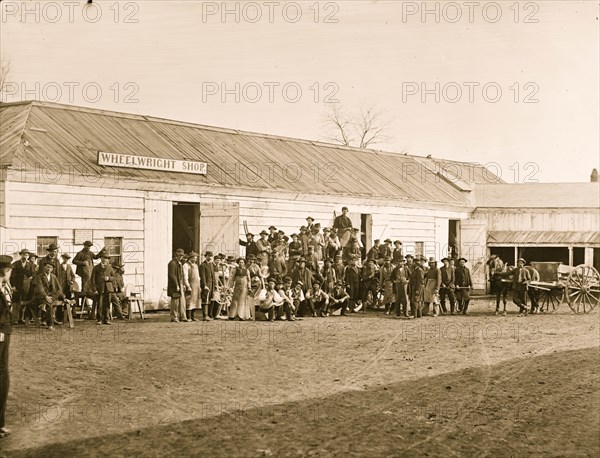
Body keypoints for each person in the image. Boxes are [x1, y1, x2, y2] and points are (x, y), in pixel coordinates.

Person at [0, 261, 14, 439]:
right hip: (1, 333)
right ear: (6, 271)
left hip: (4, 331)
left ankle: (0, 423)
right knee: (2, 374)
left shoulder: (5, 286)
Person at [32, 262, 64, 329]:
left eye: (51, 267)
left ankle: (44, 304)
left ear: (52, 269)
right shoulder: (39, 277)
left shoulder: (53, 276)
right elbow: (40, 289)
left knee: (58, 292)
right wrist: (46, 297)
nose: (49, 269)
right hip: (41, 296)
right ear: (44, 268)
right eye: (48, 267)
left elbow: (59, 288)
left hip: (51, 296)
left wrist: (63, 297)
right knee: (49, 304)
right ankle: (50, 324)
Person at [73, 241, 101, 317]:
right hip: (83, 272)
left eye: (89, 246)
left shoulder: (90, 253)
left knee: (91, 281)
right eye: (87, 246)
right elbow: (74, 261)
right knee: (85, 282)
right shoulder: (80, 253)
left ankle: (90, 290)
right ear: (84, 245)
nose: (88, 247)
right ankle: (85, 291)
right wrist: (82, 263)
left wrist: (102, 251)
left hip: (90, 270)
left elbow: (96, 257)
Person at [10, 249, 35, 325]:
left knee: (24, 302)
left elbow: (33, 274)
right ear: (21, 255)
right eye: (24, 254)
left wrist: (31, 278)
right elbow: (11, 276)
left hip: (26, 287)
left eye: (27, 255)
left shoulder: (30, 265)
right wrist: (13, 286)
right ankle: (15, 319)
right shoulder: (15, 264)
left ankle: (21, 318)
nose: (25, 256)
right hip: (17, 286)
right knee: (16, 302)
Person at [167, 249, 189, 323]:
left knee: (182, 301)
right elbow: (172, 275)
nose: (181, 257)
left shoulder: (180, 263)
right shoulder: (172, 263)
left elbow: (181, 274)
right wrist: (176, 285)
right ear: (176, 254)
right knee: (175, 301)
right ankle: (174, 317)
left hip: (181, 283)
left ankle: (183, 317)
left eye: (182, 255)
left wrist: (183, 284)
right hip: (175, 284)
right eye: (179, 255)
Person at [183, 252, 201, 321]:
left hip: (196, 285)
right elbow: (185, 276)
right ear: (190, 258)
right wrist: (187, 285)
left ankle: (193, 316)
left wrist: (199, 285)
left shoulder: (196, 265)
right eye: (193, 258)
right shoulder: (186, 265)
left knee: (195, 301)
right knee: (189, 301)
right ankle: (188, 317)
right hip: (190, 285)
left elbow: (198, 276)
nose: (195, 259)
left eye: (196, 258)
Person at [199, 251, 215, 320]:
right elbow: (202, 277)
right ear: (205, 256)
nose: (210, 257)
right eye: (209, 256)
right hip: (206, 285)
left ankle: (209, 315)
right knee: (205, 299)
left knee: (210, 299)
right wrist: (204, 285)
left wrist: (215, 284)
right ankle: (205, 316)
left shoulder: (211, 264)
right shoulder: (202, 265)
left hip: (212, 284)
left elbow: (213, 275)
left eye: (211, 256)